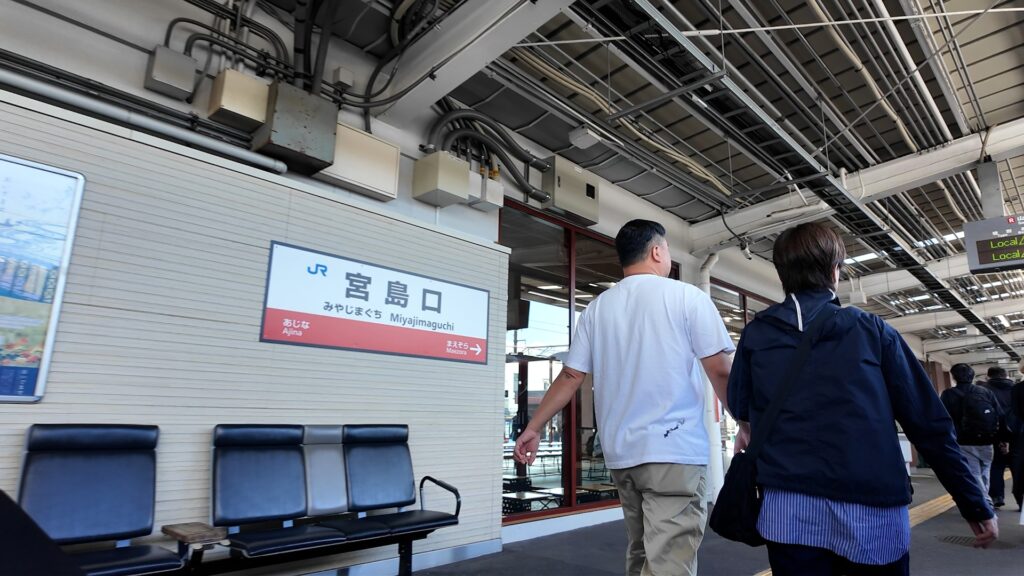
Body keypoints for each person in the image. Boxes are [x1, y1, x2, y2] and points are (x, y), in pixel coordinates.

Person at [727, 223, 997, 576]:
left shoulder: (757, 333)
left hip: (788, 505)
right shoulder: (872, 330)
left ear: (781, 273)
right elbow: (928, 425)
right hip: (871, 503)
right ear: (835, 270)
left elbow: (740, 405)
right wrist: (973, 502)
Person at [514, 219, 734, 576]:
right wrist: (747, 424)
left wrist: (533, 428)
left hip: (622, 454)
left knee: (642, 549)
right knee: (670, 559)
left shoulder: (597, 309)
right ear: (657, 251)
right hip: (673, 451)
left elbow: (571, 376)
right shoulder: (687, 297)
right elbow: (720, 371)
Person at [941, 365, 1001, 502]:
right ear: (972, 376)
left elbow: (943, 418)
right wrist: (1002, 438)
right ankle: (985, 498)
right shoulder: (985, 392)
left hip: (963, 440)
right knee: (985, 470)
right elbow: (999, 414)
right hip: (987, 439)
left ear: (954, 377)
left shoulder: (948, 394)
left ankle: (985, 501)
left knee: (974, 473)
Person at [983, 366, 1018, 507]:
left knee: (996, 466)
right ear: (1006, 375)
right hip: (1018, 433)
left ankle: (997, 497)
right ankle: (1020, 499)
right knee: (1018, 466)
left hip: (994, 433)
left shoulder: (984, 390)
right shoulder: (1016, 389)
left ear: (988, 376)